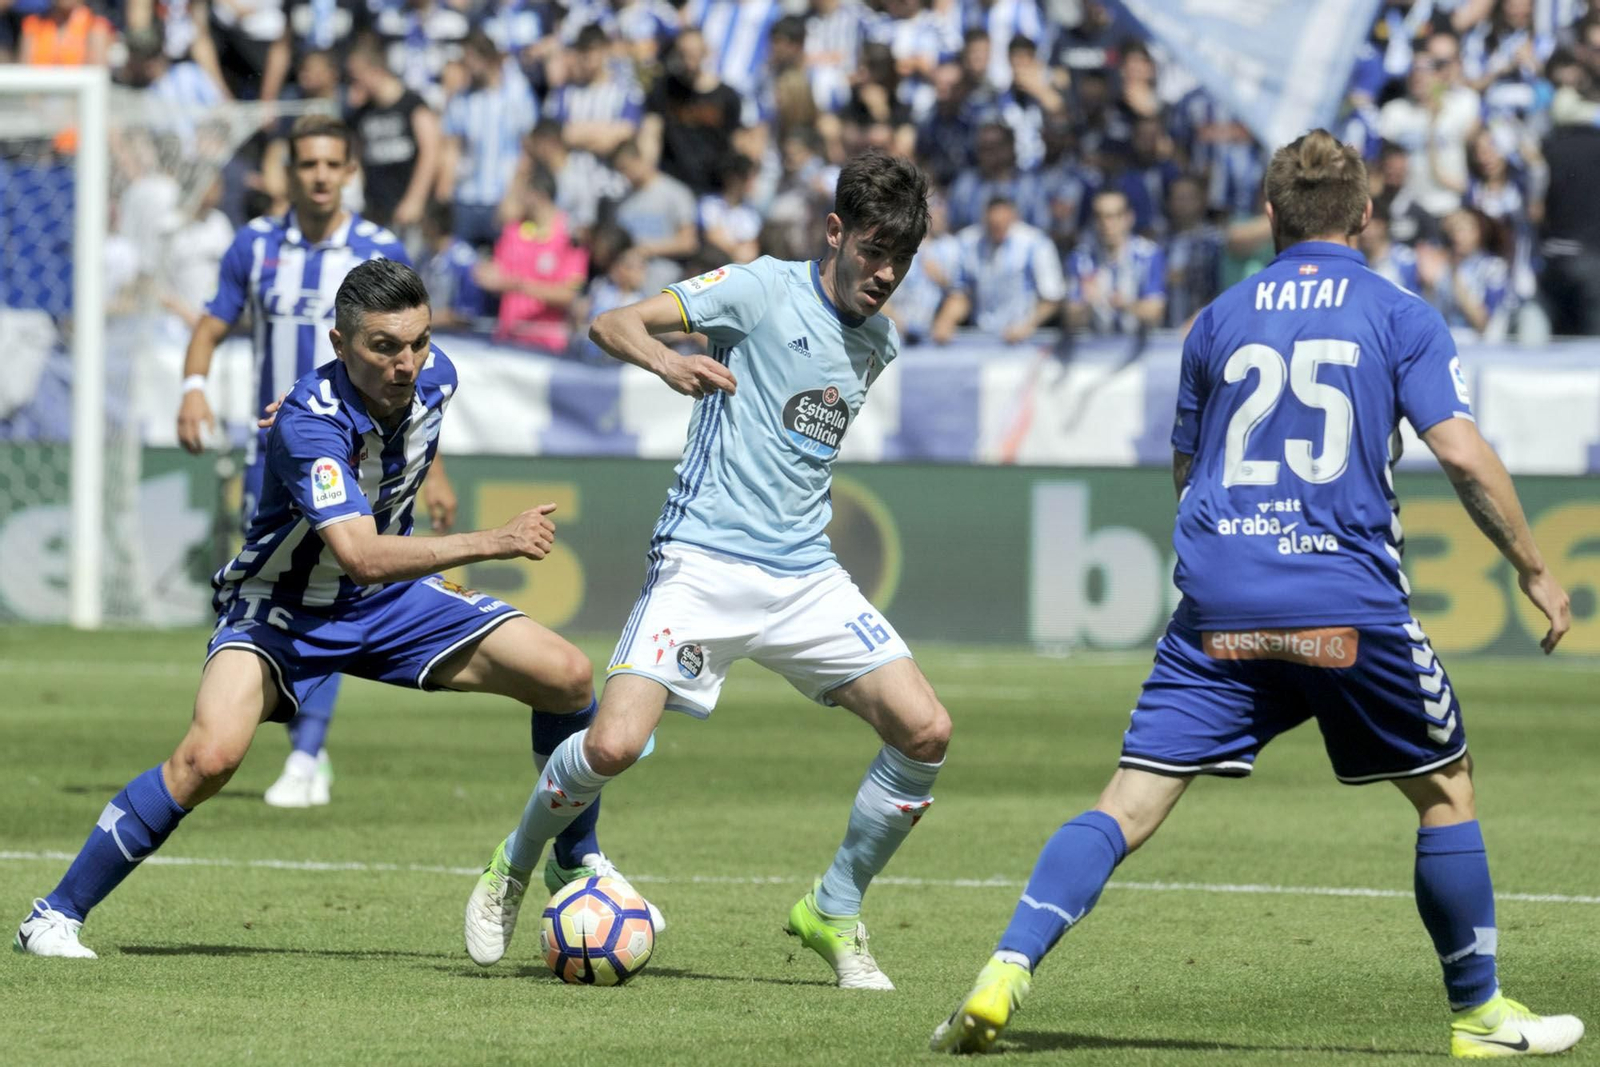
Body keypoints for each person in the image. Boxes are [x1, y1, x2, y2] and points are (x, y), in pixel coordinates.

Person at [930, 130, 1585, 1059]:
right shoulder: (1400, 314)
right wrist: (1532, 567)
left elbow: (1187, 468)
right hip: (1343, 602)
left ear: (1270, 214)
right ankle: (1480, 1016)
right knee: (1446, 789)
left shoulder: (1217, 319)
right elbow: (1463, 454)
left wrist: (1234, 558)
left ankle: (1004, 967)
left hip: (1221, 606)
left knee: (1129, 799)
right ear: (1366, 215)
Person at [15, 259, 657, 959]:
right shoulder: (308, 427)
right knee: (208, 758)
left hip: (390, 603)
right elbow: (360, 555)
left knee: (566, 675)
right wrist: (493, 540)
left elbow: (400, 464)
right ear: (340, 343)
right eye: (384, 346)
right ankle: (53, 915)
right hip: (283, 606)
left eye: (419, 342)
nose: (406, 362)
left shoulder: (437, 377)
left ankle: (574, 859)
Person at [462, 150, 952, 990]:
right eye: (875, 250)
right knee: (612, 743)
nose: (886, 273)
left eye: (901, 259)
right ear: (835, 232)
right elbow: (611, 321)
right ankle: (515, 860)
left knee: (926, 730)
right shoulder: (759, 288)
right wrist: (669, 360)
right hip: (703, 559)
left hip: (804, 574)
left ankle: (834, 907)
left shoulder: (880, 341)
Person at [173, 114, 450, 809]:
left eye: (333, 164)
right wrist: (193, 388)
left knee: (335, 583)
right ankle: (276, 734)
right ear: (286, 173)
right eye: (308, 164)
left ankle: (307, 751)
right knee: (285, 592)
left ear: (350, 171)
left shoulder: (378, 249)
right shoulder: (256, 245)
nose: (321, 176)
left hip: (366, 456)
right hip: (277, 458)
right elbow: (211, 324)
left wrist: (434, 471)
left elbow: (411, 371)